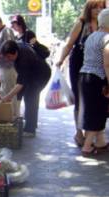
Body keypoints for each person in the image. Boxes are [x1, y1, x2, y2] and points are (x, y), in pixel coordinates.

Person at [56, 0, 105, 147]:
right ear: (88, 9)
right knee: (80, 99)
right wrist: (60, 60)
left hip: (98, 65)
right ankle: (79, 132)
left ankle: (95, 133)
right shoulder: (81, 24)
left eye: (101, 7)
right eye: (94, 7)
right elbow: (69, 44)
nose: (97, 10)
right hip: (78, 65)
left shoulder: (104, 25)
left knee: (96, 99)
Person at [0, 40, 51, 137]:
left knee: (31, 98)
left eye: (9, 57)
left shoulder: (24, 59)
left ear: (15, 52)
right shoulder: (17, 48)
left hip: (41, 75)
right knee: (27, 96)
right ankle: (29, 123)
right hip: (32, 74)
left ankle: (30, 130)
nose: (7, 59)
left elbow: (20, 84)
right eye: (6, 57)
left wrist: (6, 97)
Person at [78, 8, 109, 157]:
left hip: (84, 77)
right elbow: (107, 64)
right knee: (97, 113)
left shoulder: (91, 36)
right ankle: (87, 146)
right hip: (97, 79)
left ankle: (100, 142)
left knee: (91, 111)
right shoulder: (107, 38)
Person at [0, 14, 20, 119]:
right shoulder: (0, 33)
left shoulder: (6, 31)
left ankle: (13, 115)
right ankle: (8, 114)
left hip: (9, 66)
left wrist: (0, 54)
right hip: (3, 66)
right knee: (5, 91)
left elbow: (10, 47)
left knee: (10, 91)